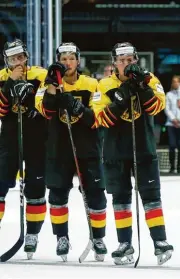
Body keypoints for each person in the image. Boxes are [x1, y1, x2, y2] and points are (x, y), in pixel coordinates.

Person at [92, 42, 173, 265]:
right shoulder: (104, 84)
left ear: (136, 60)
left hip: (144, 148)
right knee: (120, 198)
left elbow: (157, 107)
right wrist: (124, 93)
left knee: (151, 196)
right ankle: (124, 243)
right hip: (115, 150)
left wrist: (142, 86)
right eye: (122, 60)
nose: (127, 64)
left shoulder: (150, 79)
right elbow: (101, 119)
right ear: (114, 63)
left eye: (130, 60)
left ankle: (160, 241)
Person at [35, 42, 107, 262]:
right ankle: (61, 238)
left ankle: (98, 238)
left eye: (71, 58)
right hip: (59, 148)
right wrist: (52, 88)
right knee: (57, 194)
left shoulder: (92, 83)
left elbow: (96, 118)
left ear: (78, 60)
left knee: (95, 194)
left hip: (87, 148)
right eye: (63, 58)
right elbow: (45, 111)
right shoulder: (47, 83)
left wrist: (78, 108)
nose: (67, 62)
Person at [0, 39, 48, 259]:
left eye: (20, 57)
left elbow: (48, 104)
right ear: (6, 61)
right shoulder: (1, 77)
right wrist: (11, 83)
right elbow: (0, 111)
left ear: (26, 56)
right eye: (12, 59)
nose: (17, 62)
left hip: (37, 140)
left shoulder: (40, 74)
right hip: (9, 141)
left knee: (36, 189)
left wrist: (35, 107)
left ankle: (32, 234)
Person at [165, 75, 180, 173]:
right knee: (172, 145)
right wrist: (173, 119)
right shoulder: (168, 95)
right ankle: (172, 167)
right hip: (171, 124)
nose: (175, 83)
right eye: (174, 81)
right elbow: (167, 108)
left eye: (177, 81)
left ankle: (179, 167)